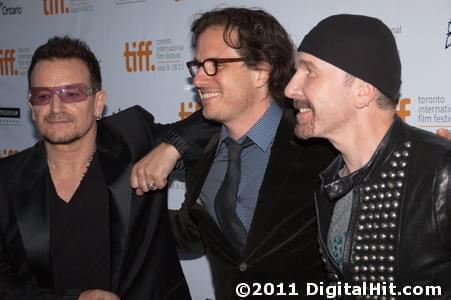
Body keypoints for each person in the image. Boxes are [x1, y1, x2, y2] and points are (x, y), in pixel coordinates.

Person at [132, 7, 336, 300]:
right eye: (198, 66)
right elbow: (195, 236)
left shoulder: (319, 151)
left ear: (261, 72)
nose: (199, 80)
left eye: (215, 64)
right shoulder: (200, 157)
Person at [0, 36, 192, 299]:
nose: (56, 108)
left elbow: (214, 127)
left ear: (98, 102)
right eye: (43, 96)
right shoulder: (6, 178)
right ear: (32, 107)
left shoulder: (135, 142)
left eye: (72, 93)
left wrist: (173, 147)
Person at [284, 14, 451, 298]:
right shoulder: (331, 179)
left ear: (363, 91)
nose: (290, 89)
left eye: (309, 71)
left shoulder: (440, 171)